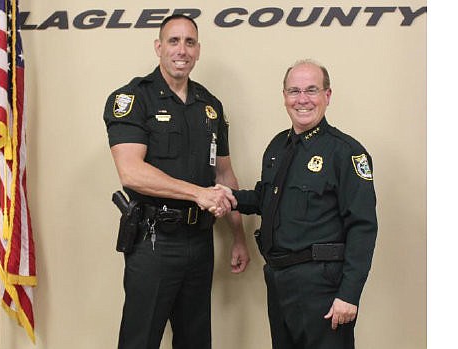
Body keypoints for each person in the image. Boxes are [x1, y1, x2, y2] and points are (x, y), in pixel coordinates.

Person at [102, 14, 250, 349]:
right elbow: (131, 171)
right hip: (154, 241)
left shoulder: (210, 106)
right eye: (173, 41)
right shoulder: (133, 99)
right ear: (158, 47)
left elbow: (224, 175)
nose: (181, 50)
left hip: (199, 242)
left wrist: (238, 237)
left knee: (195, 341)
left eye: (189, 42)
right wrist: (197, 193)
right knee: (140, 341)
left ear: (198, 51)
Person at [218, 59, 377, 348]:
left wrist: (349, 294)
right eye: (294, 91)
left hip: (322, 286)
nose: (302, 99)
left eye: (311, 90)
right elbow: (265, 199)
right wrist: (225, 197)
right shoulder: (278, 146)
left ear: (327, 96)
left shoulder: (346, 153)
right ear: (284, 97)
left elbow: (363, 227)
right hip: (279, 281)